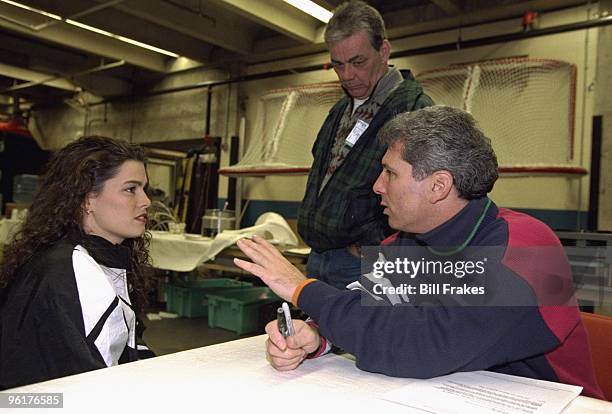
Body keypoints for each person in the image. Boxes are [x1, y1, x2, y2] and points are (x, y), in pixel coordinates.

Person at [234, 106, 604, 399]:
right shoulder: (408, 242)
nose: (377, 186)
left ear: (439, 186)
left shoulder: (525, 247)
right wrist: (317, 337)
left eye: (390, 174)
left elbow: (421, 346)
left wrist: (303, 289)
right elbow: (367, 310)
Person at [298, 0, 433, 289]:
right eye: (338, 64)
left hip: (363, 263)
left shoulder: (413, 110)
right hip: (319, 257)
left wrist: (373, 245)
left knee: (361, 334)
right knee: (315, 334)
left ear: (384, 50)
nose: (347, 75)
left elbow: (421, 197)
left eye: (358, 62)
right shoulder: (338, 112)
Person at [0, 136, 152, 390]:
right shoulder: (72, 266)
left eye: (144, 188)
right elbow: (86, 387)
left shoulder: (95, 256)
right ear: (88, 199)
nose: (146, 201)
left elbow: (126, 344)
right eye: (131, 189)